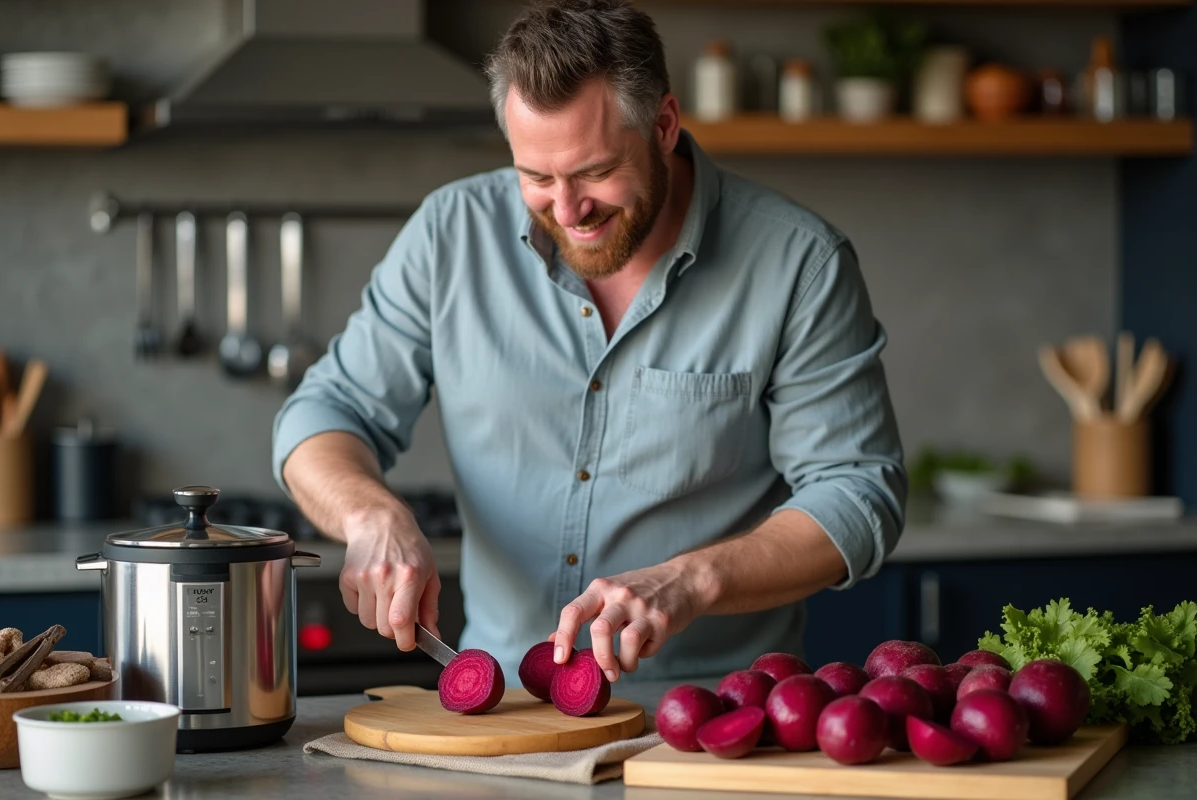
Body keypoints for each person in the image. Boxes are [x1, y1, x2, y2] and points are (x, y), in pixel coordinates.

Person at [272, 0, 905, 685]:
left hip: (714, 722)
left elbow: (858, 489)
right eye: (537, 177)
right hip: (506, 717)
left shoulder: (799, 263)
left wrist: (692, 579)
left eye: (595, 172)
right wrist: (372, 516)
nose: (567, 211)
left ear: (663, 125)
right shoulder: (449, 234)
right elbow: (324, 414)